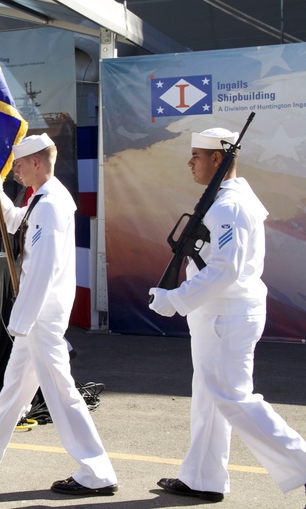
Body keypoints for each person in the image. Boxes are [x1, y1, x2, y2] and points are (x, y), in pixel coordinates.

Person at [0, 133, 118, 496]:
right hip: (39, 313)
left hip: (42, 314)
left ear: (37, 163)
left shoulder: (52, 204)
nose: (17, 172)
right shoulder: (42, 199)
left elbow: (43, 268)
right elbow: (15, 223)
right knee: (16, 385)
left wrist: (22, 318)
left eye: (20, 165)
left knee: (61, 392)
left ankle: (96, 470)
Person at [148, 127, 306, 503]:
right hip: (217, 313)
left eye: (197, 156)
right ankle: (203, 476)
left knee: (234, 398)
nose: (190, 163)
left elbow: (225, 269)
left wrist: (176, 298)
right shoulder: (225, 200)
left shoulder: (229, 206)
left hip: (226, 314)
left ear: (218, 160)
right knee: (208, 396)